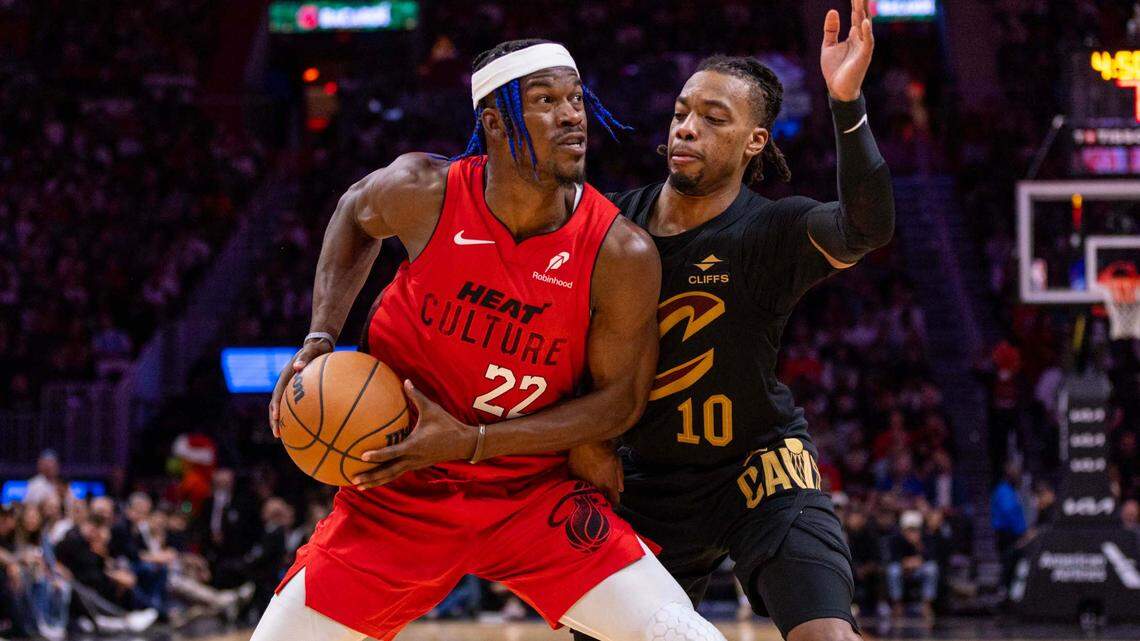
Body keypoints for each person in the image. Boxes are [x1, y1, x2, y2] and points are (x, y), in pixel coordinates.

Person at [255, 39, 726, 641]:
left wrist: (473, 442)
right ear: (496, 123)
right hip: (397, 493)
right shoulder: (423, 191)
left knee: (686, 637)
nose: (571, 115)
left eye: (576, 99)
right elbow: (352, 214)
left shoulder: (618, 251)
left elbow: (618, 404)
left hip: (531, 492)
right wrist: (321, 336)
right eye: (546, 100)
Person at [572, 3, 893, 640]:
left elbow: (867, 227)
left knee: (827, 636)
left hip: (758, 468)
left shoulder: (770, 228)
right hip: (640, 480)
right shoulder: (606, 226)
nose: (687, 129)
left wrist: (846, 102)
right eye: (681, 113)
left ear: (755, 142)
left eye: (714, 119)